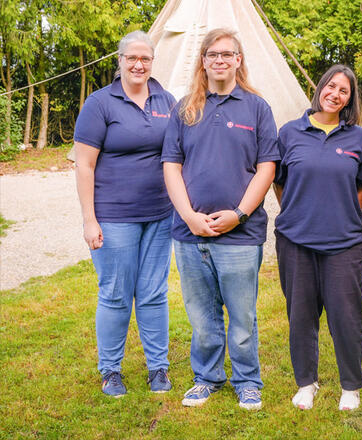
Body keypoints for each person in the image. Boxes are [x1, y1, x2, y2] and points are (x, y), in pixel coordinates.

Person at [161, 28, 278, 411]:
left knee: (242, 317)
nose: (220, 60)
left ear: (238, 60)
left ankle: (247, 381)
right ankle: (207, 378)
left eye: (228, 54)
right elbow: (171, 166)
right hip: (190, 233)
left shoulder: (257, 108)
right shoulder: (185, 109)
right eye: (213, 54)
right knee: (202, 316)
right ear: (204, 61)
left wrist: (239, 214)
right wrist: (189, 216)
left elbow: (267, 167)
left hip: (240, 236)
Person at [74, 30, 176, 397]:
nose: (138, 64)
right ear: (120, 61)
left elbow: (177, 154)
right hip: (114, 216)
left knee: (153, 293)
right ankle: (110, 370)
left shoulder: (166, 100)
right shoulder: (100, 103)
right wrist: (90, 220)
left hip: (160, 215)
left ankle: (158, 367)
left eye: (145, 58)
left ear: (152, 61)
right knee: (116, 294)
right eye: (131, 58)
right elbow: (84, 165)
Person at [273, 65, 362, 411]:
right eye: (331, 86)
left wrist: (339, 215)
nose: (335, 94)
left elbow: (360, 186)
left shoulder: (357, 138)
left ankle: (350, 387)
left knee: (347, 317)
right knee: (301, 315)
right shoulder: (289, 133)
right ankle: (306, 383)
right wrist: (300, 212)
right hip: (295, 240)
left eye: (344, 91)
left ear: (350, 99)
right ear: (320, 88)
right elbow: (279, 183)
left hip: (343, 243)